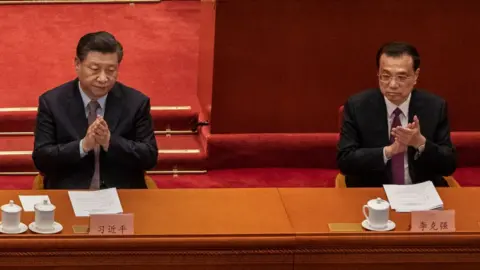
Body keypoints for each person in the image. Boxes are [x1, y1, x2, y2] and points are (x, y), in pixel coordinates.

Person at [32, 31, 158, 189]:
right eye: (94, 69)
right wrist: (83, 146)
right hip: (70, 194)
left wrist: (109, 142)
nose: (103, 78)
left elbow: (150, 157)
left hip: (122, 194)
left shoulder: (136, 103)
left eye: (111, 70)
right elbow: (41, 158)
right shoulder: (52, 102)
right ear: (77, 64)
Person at [337, 42, 456, 187]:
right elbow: (345, 161)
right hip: (373, 194)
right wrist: (388, 151)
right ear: (378, 74)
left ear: (415, 75)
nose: (392, 84)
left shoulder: (435, 107)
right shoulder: (357, 107)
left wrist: (421, 144)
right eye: (385, 76)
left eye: (401, 77)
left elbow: (449, 165)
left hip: (421, 194)